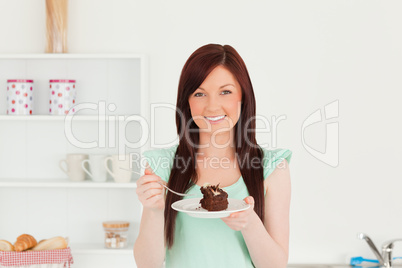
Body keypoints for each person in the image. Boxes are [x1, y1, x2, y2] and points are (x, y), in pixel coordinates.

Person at [133, 44, 292, 268]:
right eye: (199, 93)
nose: (212, 106)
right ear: (187, 102)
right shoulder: (163, 165)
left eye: (225, 92)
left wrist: (249, 223)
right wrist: (154, 210)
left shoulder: (273, 167)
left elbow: (276, 265)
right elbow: (146, 264)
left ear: (243, 97)